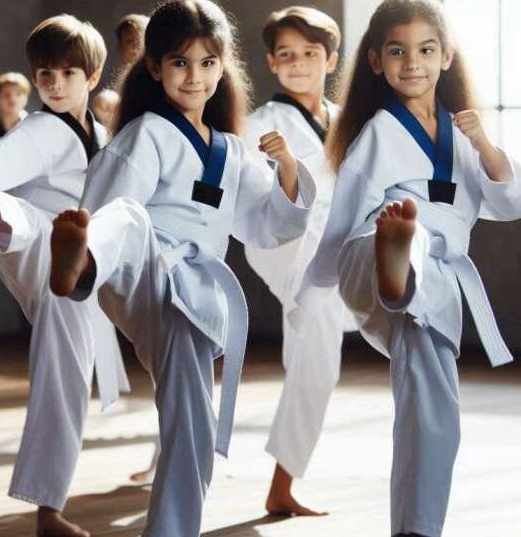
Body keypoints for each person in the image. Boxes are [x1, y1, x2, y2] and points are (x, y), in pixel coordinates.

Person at [46, 1, 316, 534]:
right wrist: (87, 247)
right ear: (154, 67)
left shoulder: (234, 151)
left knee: (193, 421)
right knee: (123, 215)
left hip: (194, 295)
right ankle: (75, 263)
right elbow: (107, 203)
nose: (195, 77)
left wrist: (287, 167)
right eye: (180, 63)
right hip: (136, 270)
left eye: (208, 63)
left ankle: (172, 528)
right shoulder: (145, 132)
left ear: (223, 68)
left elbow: (267, 225)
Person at [295, 1, 521, 535]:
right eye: (397, 51)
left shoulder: (462, 133)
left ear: (446, 56)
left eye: (425, 49)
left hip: (434, 285)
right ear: (375, 61)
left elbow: (507, 201)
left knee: (432, 406)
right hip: (366, 255)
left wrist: (484, 142)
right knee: (401, 225)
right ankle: (397, 258)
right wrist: (315, 288)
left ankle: (417, 528)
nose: (412, 62)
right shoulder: (378, 131)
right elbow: (343, 215)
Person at [0, 14, 128, 537]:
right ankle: (49, 511)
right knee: (64, 379)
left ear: (92, 78)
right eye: (45, 72)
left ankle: (51, 505)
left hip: (78, 262)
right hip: (39, 251)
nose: (53, 83)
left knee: (69, 374)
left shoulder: (99, 131)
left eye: (67, 73)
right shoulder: (41, 128)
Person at [243, 6, 350, 517]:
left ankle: (282, 485)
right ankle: (281, 486)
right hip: (283, 244)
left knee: (313, 357)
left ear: (331, 60)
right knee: (318, 349)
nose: (298, 63)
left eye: (310, 54)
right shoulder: (262, 122)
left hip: (332, 244)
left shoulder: (344, 120)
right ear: (271, 61)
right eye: (286, 54)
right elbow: (251, 191)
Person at [0, 71, 30, 149]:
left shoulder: (33, 126)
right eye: (7, 94)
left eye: (18, 94)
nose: (13, 99)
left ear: (26, 98)